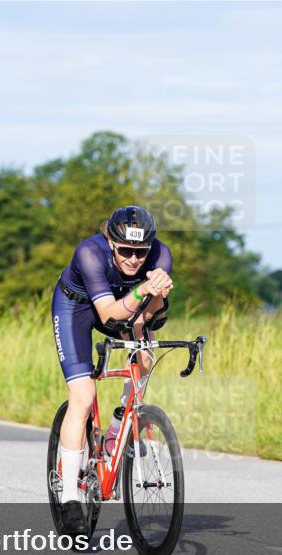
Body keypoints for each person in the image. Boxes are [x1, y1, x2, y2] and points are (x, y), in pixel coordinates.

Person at [51, 205, 174, 535]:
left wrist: (158, 296)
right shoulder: (91, 253)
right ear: (110, 242)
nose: (134, 259)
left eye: (140, 252)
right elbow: (108, 317)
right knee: (83, 396)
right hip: (77, 308)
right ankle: (70, 498)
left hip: (124, 303)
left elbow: (150, 315)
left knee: (144, 357)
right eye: (125, 251)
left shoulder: (161, 255)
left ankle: (117, 431)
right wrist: (143, 290)